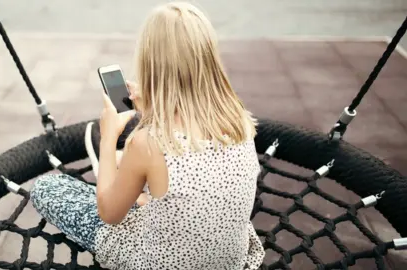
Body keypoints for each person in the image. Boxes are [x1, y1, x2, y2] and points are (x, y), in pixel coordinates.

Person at [30, 2, 265, 269]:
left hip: (157, 262)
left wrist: (109, 137)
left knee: (47, 188)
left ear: (150, 65)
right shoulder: (239, 120)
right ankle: (141, 195)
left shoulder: (150, 144)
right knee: (153, 187)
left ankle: (130, 188)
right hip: (228, 261)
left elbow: (109, 214)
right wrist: (154, 106)